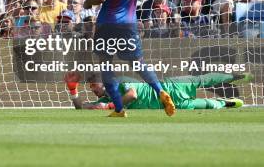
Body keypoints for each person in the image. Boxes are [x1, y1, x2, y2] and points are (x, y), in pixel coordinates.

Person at [83, 0, 175, 117]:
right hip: (129, 23)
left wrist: (88, 1)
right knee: (138, 63)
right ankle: (160, 91)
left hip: (107, 23)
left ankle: (118, 109)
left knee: (106, 65)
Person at [65, 71, 251, 110]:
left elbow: (132, 95)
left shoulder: (120, 82)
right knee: (207, 105)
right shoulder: (104, 99)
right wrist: (73, 90)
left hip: (171, 87)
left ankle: (235, 76)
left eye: (93, 85)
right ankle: (226, 103)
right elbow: (82, 107)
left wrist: (110, 106)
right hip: (171, 104)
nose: (92, 90)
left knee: (201, 80)